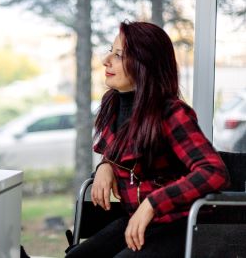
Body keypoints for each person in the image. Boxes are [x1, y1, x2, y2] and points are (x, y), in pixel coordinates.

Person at [66, 21, 230, 257]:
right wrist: (105, 165)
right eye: (110, 51)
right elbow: (119, 148)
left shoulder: (171, 114)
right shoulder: (112, 104)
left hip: (179, 224)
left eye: (119, 55)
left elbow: (214, 172)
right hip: (137, 219)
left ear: (144, 65)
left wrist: (153, 203)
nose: (106, 60)